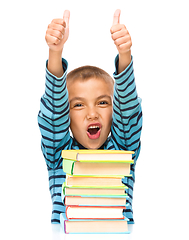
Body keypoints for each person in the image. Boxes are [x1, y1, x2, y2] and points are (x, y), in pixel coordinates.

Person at [38, 9, 142, 224]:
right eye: (78, 105)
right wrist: (55, 53)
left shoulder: (124, 151)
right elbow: (53, 115)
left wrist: (124, 54)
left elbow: (128, 113)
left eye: (103, 102)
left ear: (114, 110)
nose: (92, 113)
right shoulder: (59, 155)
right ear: (66, 115)